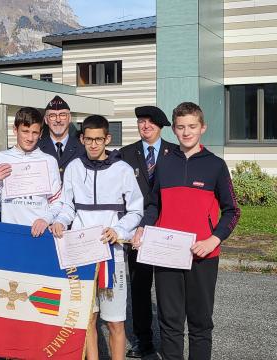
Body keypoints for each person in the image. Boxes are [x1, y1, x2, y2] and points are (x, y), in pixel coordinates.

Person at [132, 102, 241, 360]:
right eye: (180, 127)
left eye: (192, 126)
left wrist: (212, 240)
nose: (186, 132)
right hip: (166, 254)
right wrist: (142, 228)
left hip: (202, 255)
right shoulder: (165, 163)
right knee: (170, 323)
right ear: (175, 130)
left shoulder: (215, 165)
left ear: (202, 127)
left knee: (200, 323)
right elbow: (154, 205)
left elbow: (232, 211)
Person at [50, 115, 143, 360]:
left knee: (115, 322)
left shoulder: (122, 170)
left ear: (107, 139)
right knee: (87, 318)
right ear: (81, 139)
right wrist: (60, 220)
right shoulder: (73, 167)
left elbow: (136, 210)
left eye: (98, 139)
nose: (93, 144)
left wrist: (120, 231)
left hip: (112, 255)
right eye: (88, 139)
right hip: (81, 253)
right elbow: (67, 206)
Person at [119, 105, 177, 358]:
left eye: (151, 123)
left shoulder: (175, 153)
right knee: (140, 288)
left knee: (168, 290)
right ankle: (143, 341)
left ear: (160, 126)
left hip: (167, 229)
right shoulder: (124, 154)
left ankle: (170, 341)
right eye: (141, 122)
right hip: (137, 231)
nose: (145, 126)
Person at [0, 107, 62, 235]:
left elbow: (57, 202)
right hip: (9, 232)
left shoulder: (49, 161)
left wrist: (45, 219)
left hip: (39, 233)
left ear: (40, 134)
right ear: (15, 130)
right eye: (25, 131)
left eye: (35, 132)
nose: (30, 137)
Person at [37, 95, 85, 179]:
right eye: (52, 116)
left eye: (62, 115)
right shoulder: (36, 148)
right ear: (45, 120)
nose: (58, 120)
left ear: (70, 118)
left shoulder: (82, 148)